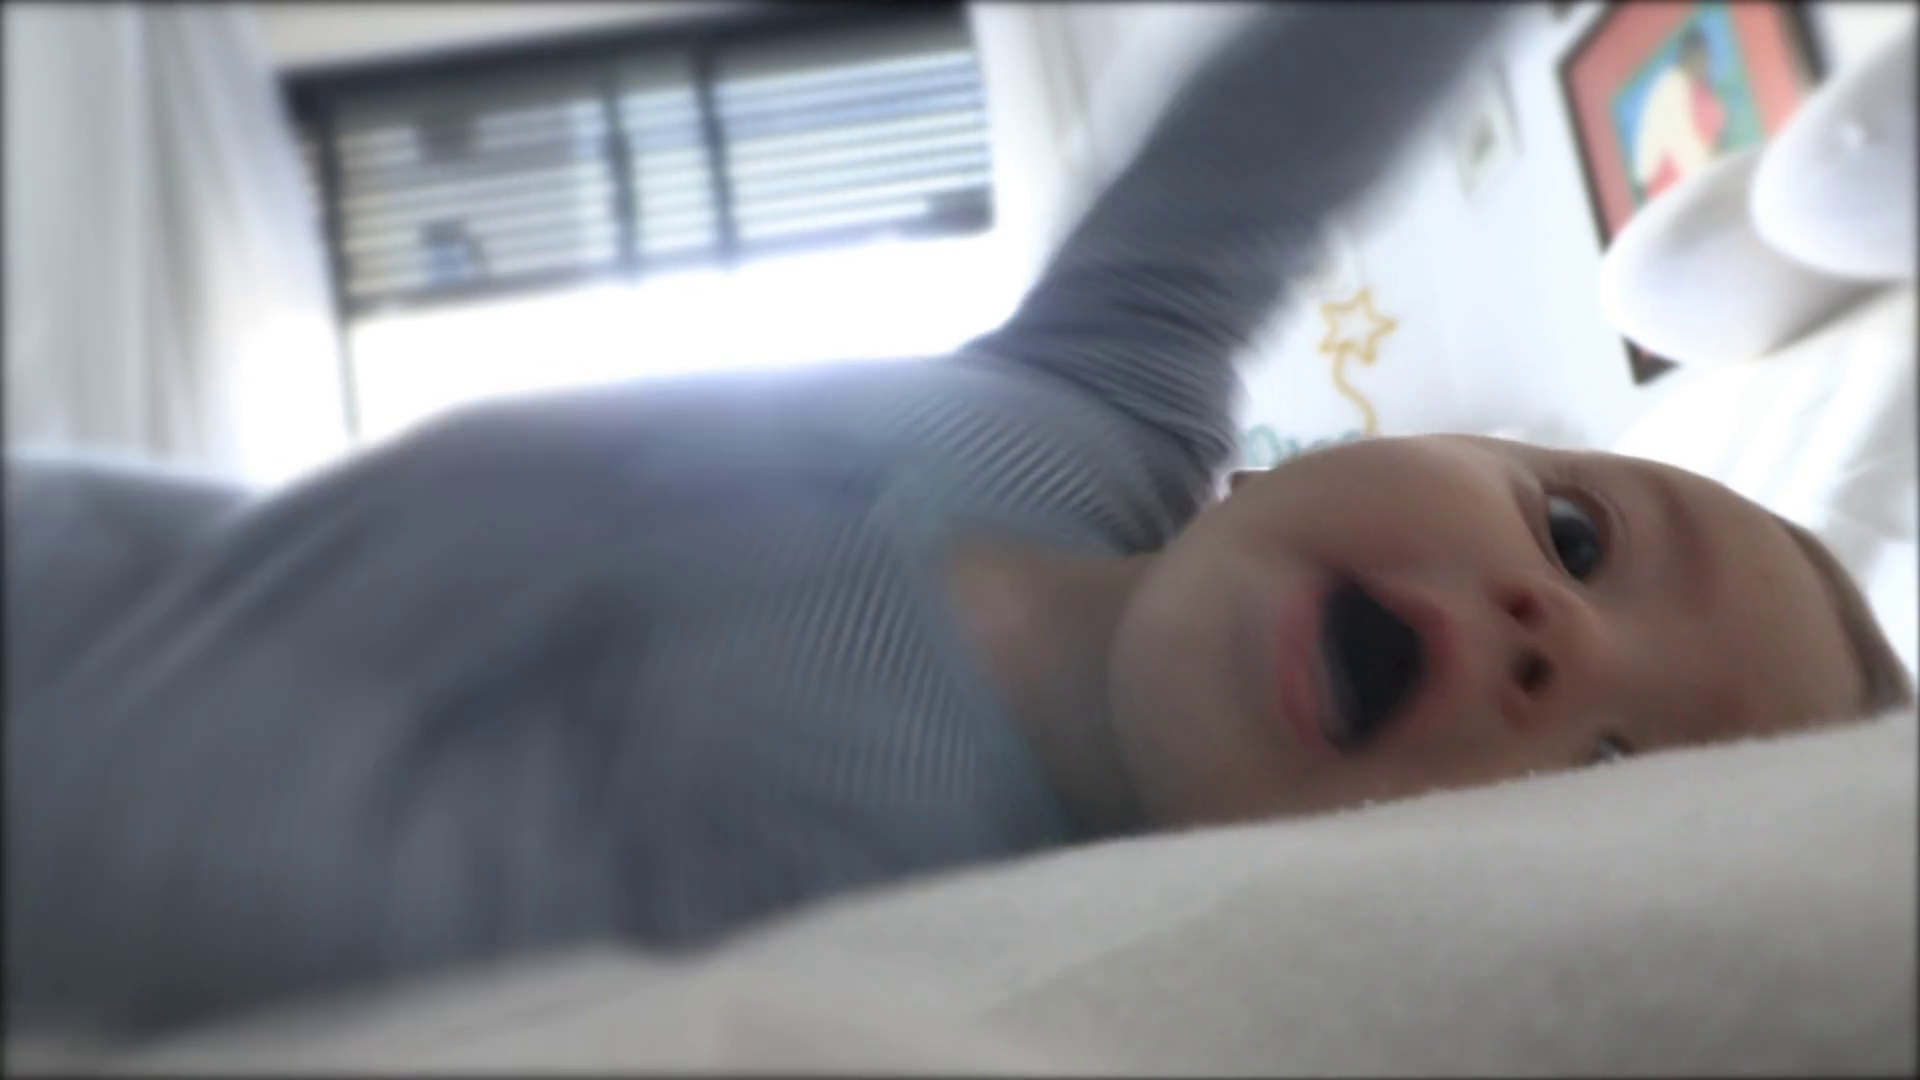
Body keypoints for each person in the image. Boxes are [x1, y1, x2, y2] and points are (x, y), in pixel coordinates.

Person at [7, 4, 1908, 1036]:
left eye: (1604, 771)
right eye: (1574, 537)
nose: (1555, 639)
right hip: (99, 540)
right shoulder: (1108, 406)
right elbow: (1277, 128)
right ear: (1326, 457)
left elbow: (235, 854)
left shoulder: (907, 893)